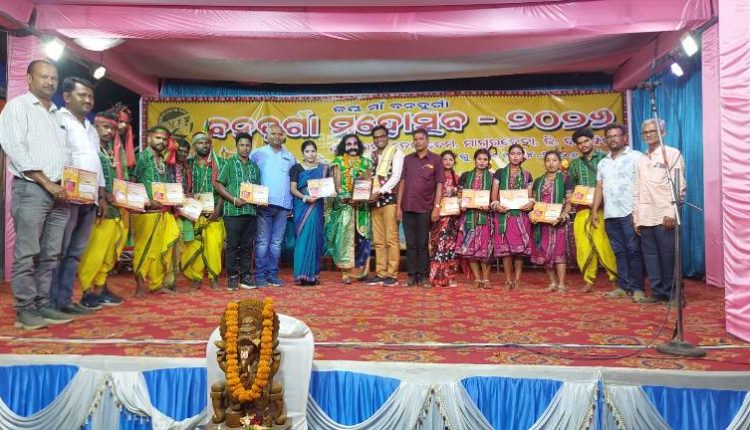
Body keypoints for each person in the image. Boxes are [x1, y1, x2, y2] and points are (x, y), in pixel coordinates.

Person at [0, 60, 74, 329]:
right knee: (28, 252)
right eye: (44, 76)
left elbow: (65, 154)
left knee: (51, 253)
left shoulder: (57, 114)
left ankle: (43, 304)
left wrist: (66, 186)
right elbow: (15, 149)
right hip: (32, 189)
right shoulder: (17, 107)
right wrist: (47, 183)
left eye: (53, 78)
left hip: (60, 192)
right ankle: (25, 309)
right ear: (29, 78)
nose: (50, 82)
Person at [50, 77, 108, 315]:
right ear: (66, 97)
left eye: (90, 96)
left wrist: (101, 195)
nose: (87, 100)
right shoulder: (58, 121)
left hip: (89, 198)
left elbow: (97, 164)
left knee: (75, 253)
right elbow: (55, 157)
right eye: (82, 95)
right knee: (59, 251)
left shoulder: (91, 129)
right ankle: (51, 302)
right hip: (67, 197)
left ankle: (65, 301)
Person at [77, 110, 129, 309]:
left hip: (115, 209)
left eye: (112, 129)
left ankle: (100, 288)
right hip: (98, 208)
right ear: (95, 126)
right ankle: (86, 291)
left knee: (109, 253)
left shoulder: (113, 151)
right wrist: (102, 196)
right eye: (105, 127)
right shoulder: (90, 149)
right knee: (95, 253)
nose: (109, 132)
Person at [633, 118, 686, 305]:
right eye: (645, 132)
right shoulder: (641, 159)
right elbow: (637, 189)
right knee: (651, 257)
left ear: (663, 133)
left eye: (653, 131)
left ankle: (676, 294)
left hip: (665, 214)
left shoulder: (672, 154)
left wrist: (672, 212)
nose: (648, 135)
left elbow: (679, 185)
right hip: (645, 216)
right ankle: (658, 292)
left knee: (669, 256)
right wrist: (636, 217)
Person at [592, 123, 645, 301]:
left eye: (616, 135)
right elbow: (599, 187)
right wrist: (594, 211)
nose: (612, 139)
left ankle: (638, 288)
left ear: (625, 138)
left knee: (634, 251)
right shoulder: (603, 162)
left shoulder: (636, 157)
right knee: (619, 252)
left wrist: (641, 210)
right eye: (609, 136)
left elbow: (644, 183)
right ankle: (623, 286)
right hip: (610, 214)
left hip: (631, 212)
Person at [131, 126, 180, 297]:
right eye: (158, 138)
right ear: (149, 138)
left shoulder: (162, 160)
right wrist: (146, 201)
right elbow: (133, 181)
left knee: (160, 250)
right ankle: (139, 286)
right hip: (146, 213)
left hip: (163, 212)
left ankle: (156, 284)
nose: (162, 142)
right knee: (144, 249)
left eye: (165, 139)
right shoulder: (142, 157)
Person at [569, 128, 617, 293]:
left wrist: (599, 201)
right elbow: (572, 188)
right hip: (582, 210)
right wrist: (574, 198)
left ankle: (614, 280)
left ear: (593, 140)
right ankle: (588, 281)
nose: (583, 145)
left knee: (605, 245)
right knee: (584, 247)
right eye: (580, 143)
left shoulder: (605, 159)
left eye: (586, 141)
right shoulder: (574, 164)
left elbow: (612, 184)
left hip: (603, 210)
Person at [250, 124, 297, 287]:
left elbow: (293, 181)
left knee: (276, 243)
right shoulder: (257, 154)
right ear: (266, 136)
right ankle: (260, 275)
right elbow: (249, 176)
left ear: (284, 136)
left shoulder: (290, 157)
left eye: (279, 134)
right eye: (273, 133)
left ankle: (272, 275)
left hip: (283, 206)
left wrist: (292, 205)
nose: (277, 136)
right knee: (263, 241)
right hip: (264, 204)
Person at [215, 132, 262, 291]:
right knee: (233, 246)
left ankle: (246, 276)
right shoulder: (229, 163)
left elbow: (257, 190)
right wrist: (234, 199)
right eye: (241, 145)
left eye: (248, 145)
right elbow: (218, 185)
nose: (245, 148)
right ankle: (233, 277)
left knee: (247, 246)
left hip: (251, 212)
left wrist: (260, 199)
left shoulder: (255, 167)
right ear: (236, 146)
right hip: (233, 211)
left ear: (251, 147)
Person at [398, 128, 444, 286]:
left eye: (421, 139)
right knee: (410, 244)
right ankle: (411, 276)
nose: (417, 142)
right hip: (407, 206)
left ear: (427, 141)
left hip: (426, 207)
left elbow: (439, 184)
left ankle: (424, 276)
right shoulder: (408, 159)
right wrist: (398, 207)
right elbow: (402, 182)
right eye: (415, 139)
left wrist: (436, 207)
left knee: (423, 244)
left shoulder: (436, 159)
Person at [325, 134, 373, 284]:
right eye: (349, 144)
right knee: (345, 240)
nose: (352, 146)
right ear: (344, 147)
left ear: (359, 145)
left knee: (362, 239)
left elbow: (368, 182)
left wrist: (361, 197)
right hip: (345, 206)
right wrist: (347, 198)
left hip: (362, 207)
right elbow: (337, 185)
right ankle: (345, 273)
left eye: (354, 143)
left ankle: (361, 272)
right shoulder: (338, 162)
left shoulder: (366, 162)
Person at [180, 132, 225, 290]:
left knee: (213, 246)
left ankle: (214, 278)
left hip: (213, 212)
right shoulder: (187, 164)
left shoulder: (220, 163)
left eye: (207, 142)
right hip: (193, 213)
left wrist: (218, 209)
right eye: (200, 143)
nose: (204, 145)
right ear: (194, 145)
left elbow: (224, 187)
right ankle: (196, 278)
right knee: (194, 246)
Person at [491, 144, 534, 290]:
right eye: (512, 153)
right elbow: (494, 195)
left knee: (519, 251)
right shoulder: (500, 173)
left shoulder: (527, 175)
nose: (515, 156)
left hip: (521, 217)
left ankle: (517, 280)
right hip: (504, 216)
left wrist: (530, 203)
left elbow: (530, 196)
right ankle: (508, 280)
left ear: (523, 157)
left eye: (518, 153)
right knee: (506, 251)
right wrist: (496, 205)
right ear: (508, 156)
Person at [366, 125, 403, 287]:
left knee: (391, 239)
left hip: (389, 200)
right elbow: (367, 177)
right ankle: (380, 273)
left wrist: (379, 191)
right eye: (376, 137)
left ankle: (392, 274)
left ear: (387, 137)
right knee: (379, 240)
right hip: (374, 202)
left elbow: (396, 177)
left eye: (382, 136)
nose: (379, 139)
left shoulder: (396, 152)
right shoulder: (371, 155)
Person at [531, 150, 573, 293]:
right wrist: (534, 214)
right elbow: (535, 201)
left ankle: (561, 284)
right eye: (548, 160)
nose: (551, 163)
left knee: (559, 253)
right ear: (544, 163)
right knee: (545, 253)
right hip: (542, 224)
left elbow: (569, 201)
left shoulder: (565, 179)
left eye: (554, 160)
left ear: (559, 163)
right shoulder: (538, 181)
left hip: (558, 222)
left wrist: (563, 215)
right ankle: (553, 282)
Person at [289, 140, 328, 286]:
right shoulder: (296, 168)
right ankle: (301, 274)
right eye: (307, 151)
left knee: (316, 239)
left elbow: (327, 187)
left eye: (313, 151)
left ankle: (313, 275)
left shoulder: (323, 168)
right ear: (303, 153)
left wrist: (325, 192)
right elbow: (293, 189)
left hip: (317, 206)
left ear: (316, 152)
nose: (310, 154)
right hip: (302, 205)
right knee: (303, 239)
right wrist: (305, 198)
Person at [456, 149, 495, 289]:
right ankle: (477, 278)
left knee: (486, 249)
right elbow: (460, 195)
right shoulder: (466, 176)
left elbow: (495, 197)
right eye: (479, 159)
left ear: (488, 161)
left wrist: (490, 206)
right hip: (469, 216)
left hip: (486, 217)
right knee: (470, 248)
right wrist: (461, 204)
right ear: (475, 160)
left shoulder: (493, 177)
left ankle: (486, 278)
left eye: (485, 159)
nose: (482, 162)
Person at [429, 150, 461, 287]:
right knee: (438, 247)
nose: (448, 162)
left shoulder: (457, 178)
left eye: (450, 159)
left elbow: (462, 196)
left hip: (453, 218)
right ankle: (436, 277)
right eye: (445, 159)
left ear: (454, 162)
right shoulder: (435, 177)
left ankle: (450, 277)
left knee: (450, 247)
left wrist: (460, 203)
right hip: (439, 217)